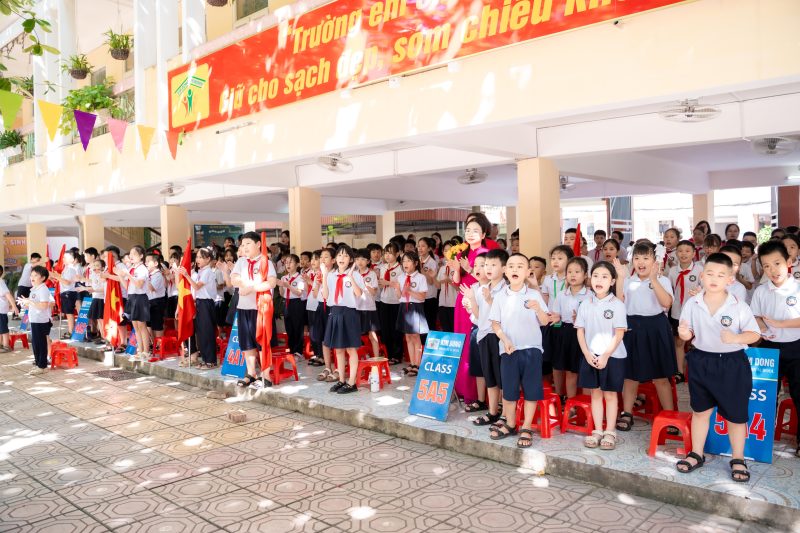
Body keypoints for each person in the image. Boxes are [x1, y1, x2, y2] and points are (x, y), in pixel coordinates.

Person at [676, 253, 760, 481]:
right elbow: (686, 331)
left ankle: (738, 459)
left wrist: (735, 338)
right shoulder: (692, 303)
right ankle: (697, 453)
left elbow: (754, 333)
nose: (714, 279)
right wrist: (684, 334)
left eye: (721, 275)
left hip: (732, 364)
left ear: (730, 279)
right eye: (710, 274)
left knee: (736, 416)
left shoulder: (738, 305)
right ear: (702, 276)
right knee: (700, 412)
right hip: (701, 361)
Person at [488, 253, 551, 448]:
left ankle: (526, 427)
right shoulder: (499, 297)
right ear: (505, 271)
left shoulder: (534, 295)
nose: (515, 269)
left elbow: (545, 321)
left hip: (531, 350)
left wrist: (538, 309)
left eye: (520, 266)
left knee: (531, 390)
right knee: (509, 391)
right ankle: (510, 423)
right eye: (511, 266)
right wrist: (505, 339)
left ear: (528, 272)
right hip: (508, 350)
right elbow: (495, 324)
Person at [616, 242, 677, 432]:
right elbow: (618, 304)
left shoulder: (662, 280)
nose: (641, 262)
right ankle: (627, 413)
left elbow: (666, 303)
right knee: (630, 375)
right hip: (632, 327)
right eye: (637, 258)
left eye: (645, 258)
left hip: (656, 327)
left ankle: (669, 415)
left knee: (661, 376)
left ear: (654, 260)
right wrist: (620, 279)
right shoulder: (627, 281)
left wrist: (653, 280)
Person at [750, 240, 800, 458]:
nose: (772, 270)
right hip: (769, 349)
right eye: (766, 266)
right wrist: (763, 328)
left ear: (789, 262)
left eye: (777, 263)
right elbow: (756, 315)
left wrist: (780, 324)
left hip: (796, 347)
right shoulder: (761, 291)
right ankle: (760, 438)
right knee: (765, 395)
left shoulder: (798, 287)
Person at [576, 261, 627, 450]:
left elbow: (619, 334)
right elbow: (580, 330)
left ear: (612, 281)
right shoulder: (586, 303)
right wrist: (587, 353)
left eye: (605, 277)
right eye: (596, 276)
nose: (599, 280)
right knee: (595, 394)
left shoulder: (617, 305)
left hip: (612, 356)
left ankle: (610, 431)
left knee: (610, 395)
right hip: (591, 355)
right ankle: (597, 430)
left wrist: (605, 355)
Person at [450, 213, 492, 403]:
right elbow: (456, 283)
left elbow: (487, 280)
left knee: (473, 345)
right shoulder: (461, 253)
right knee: (462, 343)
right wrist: (455, 269)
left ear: (483, 234)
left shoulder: (486, 254)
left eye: (475, 230)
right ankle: (461, 388)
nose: (470, 233)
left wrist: (468, 269)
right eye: (467, 230)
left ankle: (476, 393)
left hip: (479, 299)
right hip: (462, 300)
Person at [231, 232, 278, 389]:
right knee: (247, 343)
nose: (244, 247)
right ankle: (251, 374)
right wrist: (241, 284)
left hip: (260, 309)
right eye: (242, 245)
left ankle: (266, 376)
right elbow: (233, 278)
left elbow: (271, 283)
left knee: (262, 342)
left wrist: (251, 288)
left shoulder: (266, 262)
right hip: (243, 307)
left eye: (248, 244)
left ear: (258, 244)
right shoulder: (241, 261)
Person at [468, 248, 508, 426]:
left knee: (503, 378)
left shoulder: (507, 290)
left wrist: (491, 300)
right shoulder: (482, 289)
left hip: (499, 336)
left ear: (504, 268)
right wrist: (472, 301)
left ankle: (505, 414)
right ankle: (492, 412)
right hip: (484, 335)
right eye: (486, 265)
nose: (488, 268)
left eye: (493, 264)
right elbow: (479, 317)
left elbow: (504, 316)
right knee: (490, 376)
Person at [322, 245, 364, 394]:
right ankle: (341, 380)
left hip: (349, 313)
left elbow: (359, 294)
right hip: (335, 312)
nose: (342, 258)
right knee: (338, 349)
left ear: (351, 259)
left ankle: (352, 382)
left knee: (351, 349)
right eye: (339, 255)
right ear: (335, 259)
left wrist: (350, 277)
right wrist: (324, 276)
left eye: (346, 256)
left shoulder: (356, 275)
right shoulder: (331, 275)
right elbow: (325, 296)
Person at [550, 257, 591, 401]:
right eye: (570, 272)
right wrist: (555, 318)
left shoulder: (590, 295)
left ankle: (587, 404)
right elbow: (557, 315)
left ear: (585, 275)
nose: (573, 275)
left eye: (577, 272)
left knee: (586, 371)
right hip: (567, 334)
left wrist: (581, 320)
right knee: (570, 372)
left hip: (586, 334)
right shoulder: (562, 295)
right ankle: (571, 403)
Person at [668, 240, 703, 383]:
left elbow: (706, 289)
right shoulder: (672, 271)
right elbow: (669, 290)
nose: (683, 254)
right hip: (677, 311)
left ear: (694, 254)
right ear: (676, 253)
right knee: (679, 342)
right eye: (680, 251)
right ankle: (680, 372)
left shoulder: (699, 270)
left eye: (687, 251)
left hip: (696, 311)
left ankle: (698, 372)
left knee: (698, 342)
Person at [178, 247, 218, 368]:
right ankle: (205, 359)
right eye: (197, 257)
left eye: (201, 257)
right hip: (200, 302)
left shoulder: (207, 272)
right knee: (201, 333)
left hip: (206, 303)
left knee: (207, 332)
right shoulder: (202, 271)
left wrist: (186, 275)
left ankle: (211, 361)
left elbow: (196, 287)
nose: (197, 259)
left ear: (208, 259)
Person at [460, 252, 489, 411]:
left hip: (490, 332)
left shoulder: (494, 288)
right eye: (475, 265)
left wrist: (472, 302)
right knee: (478, 368)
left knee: (492, 369)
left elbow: (484, 314)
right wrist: (468, 305)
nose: (477, 268)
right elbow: (473, 312)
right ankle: (480, 400)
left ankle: (497, 404)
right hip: (476, 329)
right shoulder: (473, 287)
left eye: (482, 265)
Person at [394, 250, 430, 377]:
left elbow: (422, 297)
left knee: (415, 336)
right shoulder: (400, 277)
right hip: (404, 307)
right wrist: (397, 289)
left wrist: (409, 291)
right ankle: (412, 363)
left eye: (408, 261)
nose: (405, 263)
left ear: (415, 263)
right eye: (404, 261)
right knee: (408, 337)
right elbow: (399, 297)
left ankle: (418, 364)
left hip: (415, 308)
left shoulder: (420, 278)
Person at [112, 246, 151, 360]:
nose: (131, 256)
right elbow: (127, 286)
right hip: (132, 297)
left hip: (140, 298)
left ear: (141, 256)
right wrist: (120, 275)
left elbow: (139, 285)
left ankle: (146, 351)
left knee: (142, 326)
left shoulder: (142, 269)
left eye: (134, 254)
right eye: (130, 254)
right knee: (135, 326)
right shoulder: (132, 268)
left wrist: (128, 275)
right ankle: (140, 350)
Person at [18, 265, 53, 374]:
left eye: (35, 275)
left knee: (40, 344)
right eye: (31, 275)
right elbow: (34, 305)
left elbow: (44, 305)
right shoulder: (34, 289)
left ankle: (42, 366)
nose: (32, 278)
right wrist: (25, 303)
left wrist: (30, 302)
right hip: (35, 320)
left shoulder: (43, 289)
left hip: (41, 321)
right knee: (35, 344)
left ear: (43, 278)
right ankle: (39, 365)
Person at [378, 243, 403, 365]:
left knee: (396, 329)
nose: (387, 256)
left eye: (390, 253)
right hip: (384, 300)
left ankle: (397, 355)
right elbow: (381, 283)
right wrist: (381, 283)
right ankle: (388, 354)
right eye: (386, 253)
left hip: (396, 302)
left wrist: (387, 282)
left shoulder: (401, 268)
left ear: (397, 254)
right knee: (385, 329)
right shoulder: (383, 267)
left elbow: (401, 285)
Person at [278, 254, 306, 358]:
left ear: (297, 264)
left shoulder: (301, 278)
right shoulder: (284, 277)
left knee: (297, 327)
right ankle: (291, 349)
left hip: (297, 303)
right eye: (286, 262)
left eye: (291, 262)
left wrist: (288, 286)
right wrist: (281, 286)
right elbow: (282, 294)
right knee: (289, 327)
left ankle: (298, 351)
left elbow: (299, 292)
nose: (288, 264)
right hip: (287, 302)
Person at [354, 248, 381, 357]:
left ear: (368, 261)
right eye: (357, 259)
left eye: (363, 259)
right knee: (355, 334)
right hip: (356, 307)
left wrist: (366, 285)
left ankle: (376, 357)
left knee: (372, 334)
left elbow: (374, 292)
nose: (359, 262)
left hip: (369, 308)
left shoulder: (372, 274)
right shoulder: (353, 274)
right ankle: (357, 358)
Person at [50, 250, 80, 338]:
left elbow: (67, 282)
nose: (63, 259)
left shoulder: (71, 269)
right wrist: (56, 277)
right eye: (63, 257)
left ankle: (71, 331)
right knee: (68, 313)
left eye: (65, 257)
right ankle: (70, 331)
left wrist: (57, 277)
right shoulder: (66, 269)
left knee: (69, 313)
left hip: (69, 292)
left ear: (72, 259)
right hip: (66, 292)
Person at [417, 237, 439, 338]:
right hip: (419, 297)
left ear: (429, 248)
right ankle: (422, 345)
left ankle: (430, 346)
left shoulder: (432, 262)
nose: (420, 248)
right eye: (418, 246)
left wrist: (421, 270)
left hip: (429, 298)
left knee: (429, 324)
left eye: (423, 246)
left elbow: (431, 282)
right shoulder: (417, 260)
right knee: (420, 326)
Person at [305, 250, 323, 367]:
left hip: (318, 305)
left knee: (318, 332)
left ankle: (321, 356)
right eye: (312, 259)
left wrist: (309, 281)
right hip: (310, 304)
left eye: (316, 259)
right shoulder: (313, 273)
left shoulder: (322, 274)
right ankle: (316, 354)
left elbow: (318, 292)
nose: (313, 261)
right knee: (312, 333)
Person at [145, 253, 167, 346]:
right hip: (150, 301)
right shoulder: (150, 275)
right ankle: (154, 344)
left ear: (155, 263)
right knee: (151, 324)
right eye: (145, 261)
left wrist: (145, 278)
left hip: (157, 302)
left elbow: (152, 288)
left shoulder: (157, 275)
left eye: (148, 261)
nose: (146, 263)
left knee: (157, 324)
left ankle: (159, 345)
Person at [436, 241, 457, 333]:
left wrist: (449, 281)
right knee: (446, 330)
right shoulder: (442, 268)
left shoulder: (458, 268)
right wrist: (433, 277)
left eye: (450, 250)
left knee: (455, 330)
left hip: (454, 304)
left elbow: (459, 288)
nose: (447, 252)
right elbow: (438, 286)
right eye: (445, 250)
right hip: (443, 304)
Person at [0, 266, 20, 351]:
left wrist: (14, 307)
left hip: (1, 311)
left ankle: (6, 346)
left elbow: (8, 295)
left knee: (3, 329)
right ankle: (1, 344)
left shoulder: (1, 283)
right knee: (1, 329)